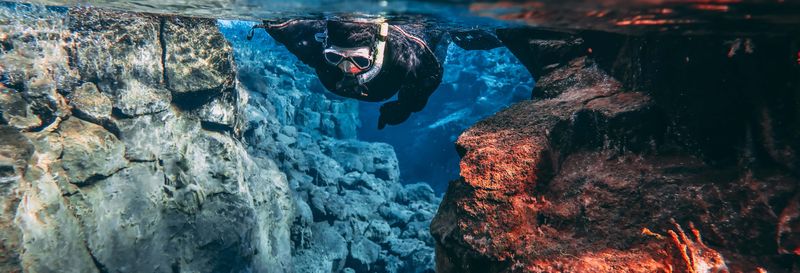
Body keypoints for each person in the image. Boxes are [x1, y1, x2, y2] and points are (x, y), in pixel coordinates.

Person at [250, 18, 500, 129]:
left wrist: (402, 107)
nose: (347, 69)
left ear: (374, 52)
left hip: (422, 35)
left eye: (358, 60)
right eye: (335, 57)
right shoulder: (316, 49)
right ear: (327, 49)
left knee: (458, 34)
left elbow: (426, 81)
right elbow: (287, 31)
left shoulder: (409, 57)